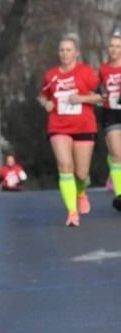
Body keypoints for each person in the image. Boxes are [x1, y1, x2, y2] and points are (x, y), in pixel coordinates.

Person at [39, 33, 101, 227]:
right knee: (65, 165)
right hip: (58, 126)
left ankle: (81, 192)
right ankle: (72, 213)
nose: (65, 54)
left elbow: (102, 96)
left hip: (83, 125)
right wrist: (46, 104)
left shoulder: (85, 71)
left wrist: (81, 99)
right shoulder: (51, 75)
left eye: (68, 50)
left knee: (81, 174)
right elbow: (43, 95)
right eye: (62, 50)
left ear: (76, 53)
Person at [98, 29, 121, 211]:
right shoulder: (103, 69)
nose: (114, 50)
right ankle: (120, 195)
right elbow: (97, 88)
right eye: (111, 46)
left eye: (118, 47)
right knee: (117, 154)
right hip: (110, 113)